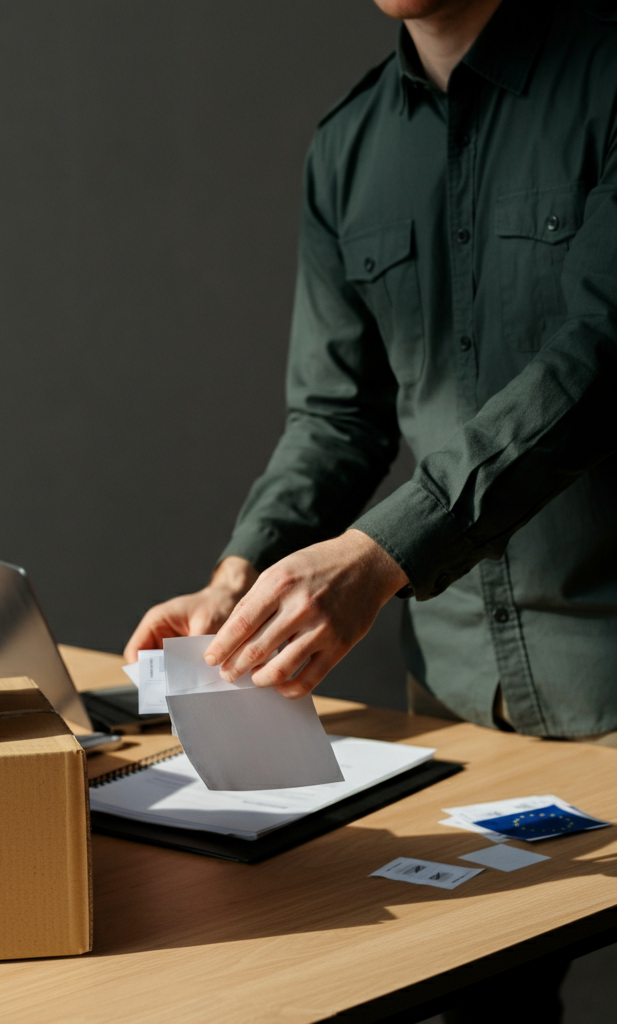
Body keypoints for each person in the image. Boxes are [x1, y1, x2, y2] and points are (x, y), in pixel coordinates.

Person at [125, 3, 616, 1017]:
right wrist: (237, 577)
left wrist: (376, 556)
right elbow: (336, 419)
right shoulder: (349, 148)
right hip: (458, 703)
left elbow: (595, 368)